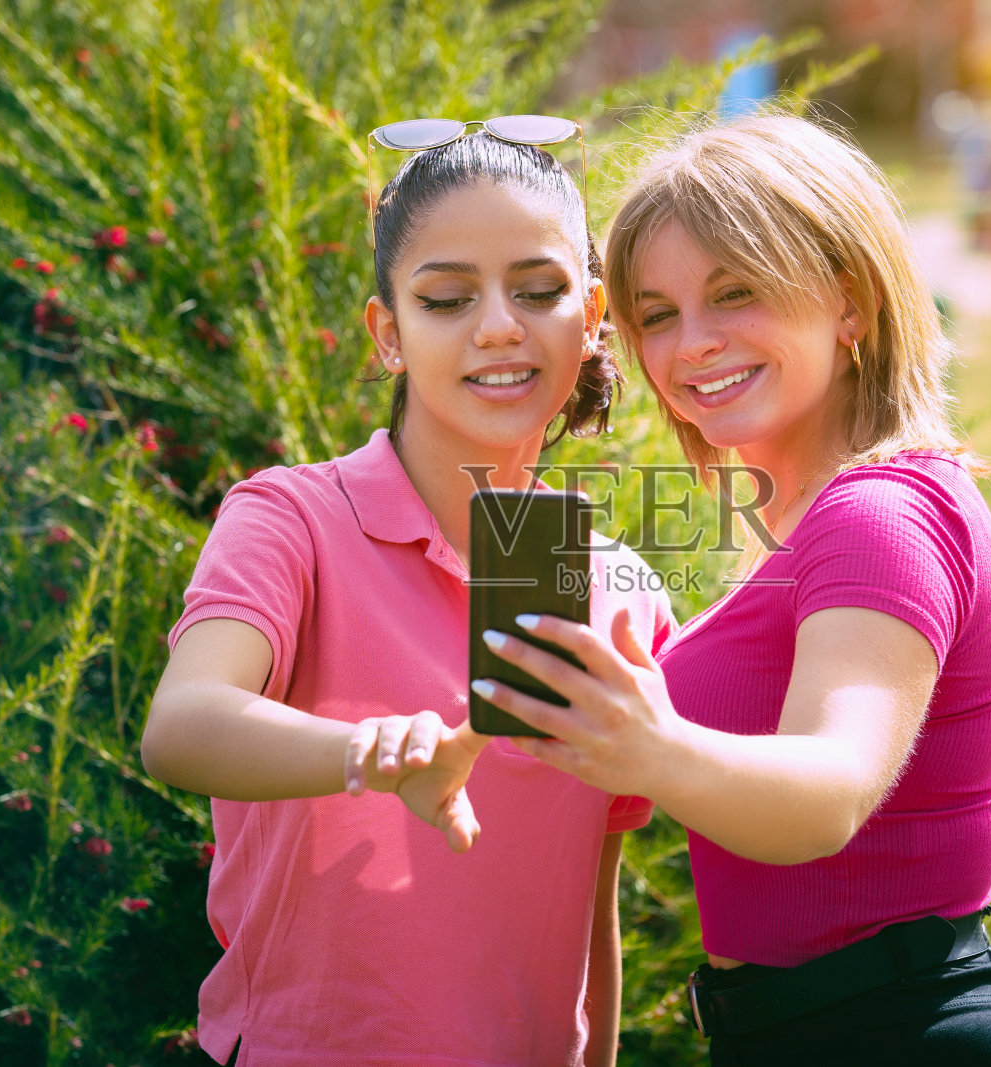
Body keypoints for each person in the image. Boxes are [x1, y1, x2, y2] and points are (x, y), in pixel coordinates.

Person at [459, 114, 991, 1065]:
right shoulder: (817, 524)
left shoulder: (878, 515)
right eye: (656, 313)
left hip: (899, 1036)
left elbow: (830, 788)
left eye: (734, 293)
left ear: (849, 301)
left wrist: (650, 743)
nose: (692, 344)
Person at [141, 127, 675, 1067]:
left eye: (539, 290)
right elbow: (182, 723)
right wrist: (372, 753)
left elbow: (591, 905)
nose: (501, 325)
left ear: (591, 314)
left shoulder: (614, 582)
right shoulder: (290, 520)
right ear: (388, 333)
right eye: (446, 299)